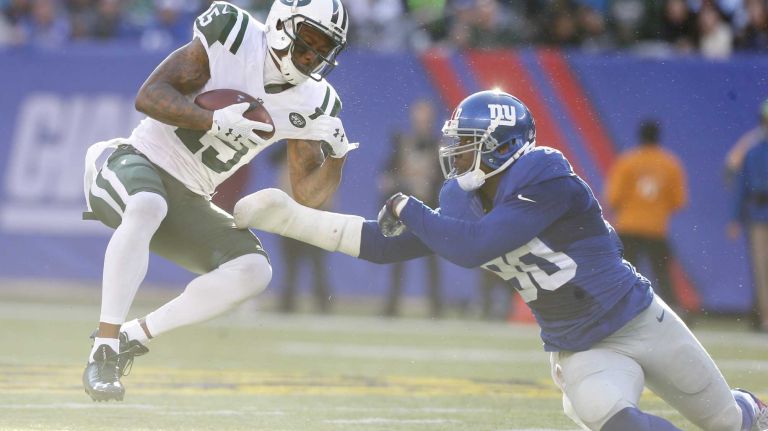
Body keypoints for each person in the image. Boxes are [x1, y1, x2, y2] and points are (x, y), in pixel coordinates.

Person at [234, 90, 768, 431]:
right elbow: (386, 245)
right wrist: (290, 218)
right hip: (579, 348)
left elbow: (474, 248)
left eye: (467, 145)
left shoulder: (544, 172)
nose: (455, 155)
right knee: (617, 424)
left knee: (728, 422)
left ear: (503, 144)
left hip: (640, 321)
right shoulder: (460, 195)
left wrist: (405, 204)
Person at [81, 0, 355, 402]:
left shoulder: (315, 101)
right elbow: (150, 95)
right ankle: (103, 345)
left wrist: (337, 157)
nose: (313, 56)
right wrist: (211, 120)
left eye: (323, 49)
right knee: (147, 206)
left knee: (254, 271)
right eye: (308, 41)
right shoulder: (234, 35)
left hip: (191, 195)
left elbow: (308, 195)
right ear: (281, 25)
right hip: (136, 162)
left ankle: (132, 336)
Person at [604, 119, 688, 315]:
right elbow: (678, 201)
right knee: (662, 273)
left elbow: (613, 197)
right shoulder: (670, 163)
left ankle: (618, 309)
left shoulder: (627, 161)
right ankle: (672, 310)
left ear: (639, 136)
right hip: (655, 228)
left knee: (625, 273)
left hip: (628, 226)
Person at [378, 99, 443, 318]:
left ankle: (436, 308)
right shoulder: (403, 142)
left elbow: (444, 180)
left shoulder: (438, 146)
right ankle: (392, 306)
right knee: (398, 260)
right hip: (405, 212)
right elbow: (387, 175)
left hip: (429, 211)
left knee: (431, 262)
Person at [727, 100, 768, 334]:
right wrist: (735, 218)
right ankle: (765, 318)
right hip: (759, 216)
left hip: (759, 214)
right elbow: (741, 186)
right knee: (761, 269)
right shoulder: (752, 150)